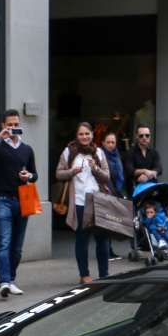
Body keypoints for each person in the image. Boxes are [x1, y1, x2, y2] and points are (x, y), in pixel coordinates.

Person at [0, 108, 38, 299]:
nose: (13, 127)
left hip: (23, 199)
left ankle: (11, 280)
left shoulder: (27, 149)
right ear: (3, 126)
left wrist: (29, 175)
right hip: (3, 199)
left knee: (17, 246)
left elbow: (35, 174)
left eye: (16, 124)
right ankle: (3, 282)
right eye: (9, 124)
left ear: (20, 125)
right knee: (4, 242)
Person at [55, 121, 110, 283]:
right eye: (81, 134)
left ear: (92, 134)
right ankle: (84, 275)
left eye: (87, 133)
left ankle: (104, 275)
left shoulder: (99, 152)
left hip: (98, 201)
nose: (84, 137)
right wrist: (72, 171)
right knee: (82, 239)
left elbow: (107, 177)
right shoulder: (69, 152)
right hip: (78, 201)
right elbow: (58, 174)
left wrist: (96, 168)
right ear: (76, 136)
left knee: (103, 240)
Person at [101, 131, 125, 261]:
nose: (110, 145)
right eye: (108, 142)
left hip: (116, 191)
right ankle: (106, 250)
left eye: (113, 142)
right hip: (106, 191)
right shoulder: (101, 155)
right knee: (107, 222)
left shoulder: (117, 156)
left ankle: (109, 249)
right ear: (103, 143)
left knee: (113, 222)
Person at [124, 123, 163, 193]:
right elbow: (129, 170)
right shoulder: (130, 152)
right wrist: (144, 171)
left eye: (147, 135)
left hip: (151, 189)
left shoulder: (154, 152)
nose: (144, 138)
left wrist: (147, 176)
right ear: (136, 136)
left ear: (150, 136)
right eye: (141, 136)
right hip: (135, 189)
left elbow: (159, 169)